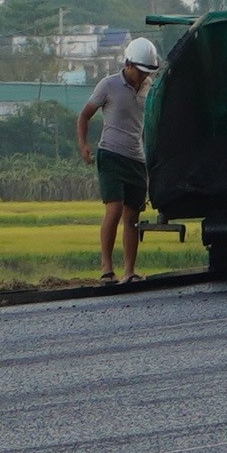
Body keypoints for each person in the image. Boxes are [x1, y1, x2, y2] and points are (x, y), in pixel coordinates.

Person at [79, 36, 161, 285]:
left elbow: (149, 124)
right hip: (111, 154)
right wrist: (83, 145)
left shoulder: (150, 88)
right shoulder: (108, 85)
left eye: (146, 72)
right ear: (127, 64)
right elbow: (84, 116)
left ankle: (129, 271)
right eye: (139, 71)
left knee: (132, 217)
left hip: (136, 158)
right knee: (114, 210)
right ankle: (106, 268)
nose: (141, 77)